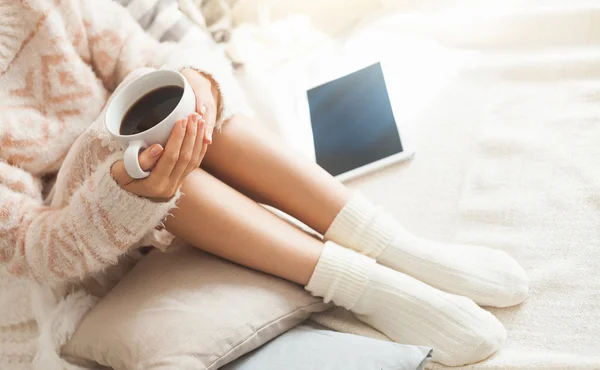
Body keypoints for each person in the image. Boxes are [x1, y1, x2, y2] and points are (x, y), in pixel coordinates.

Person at [0, 0, 529, 367]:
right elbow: (30, 246)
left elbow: (147, 55)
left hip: (161, 169)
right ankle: (366, 288)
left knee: (183, 100)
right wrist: (119, 189)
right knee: (129, 145)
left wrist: (200, 85)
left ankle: (400, 251)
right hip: (83, 247)